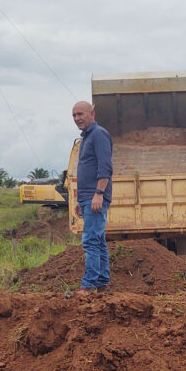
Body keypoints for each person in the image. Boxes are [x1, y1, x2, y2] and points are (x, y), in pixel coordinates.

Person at [71, 100, 113, 292]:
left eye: (80, 114)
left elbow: (105, 168)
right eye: (74, 115)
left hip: (95, 197)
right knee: (98, 240)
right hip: (88, 198)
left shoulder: (98, 134)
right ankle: (102, 282)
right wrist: (81, 200)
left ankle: (89, 286)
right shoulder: (87, 137)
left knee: (90, 241)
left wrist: (98, 194)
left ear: (92, 114)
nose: (77, 118)